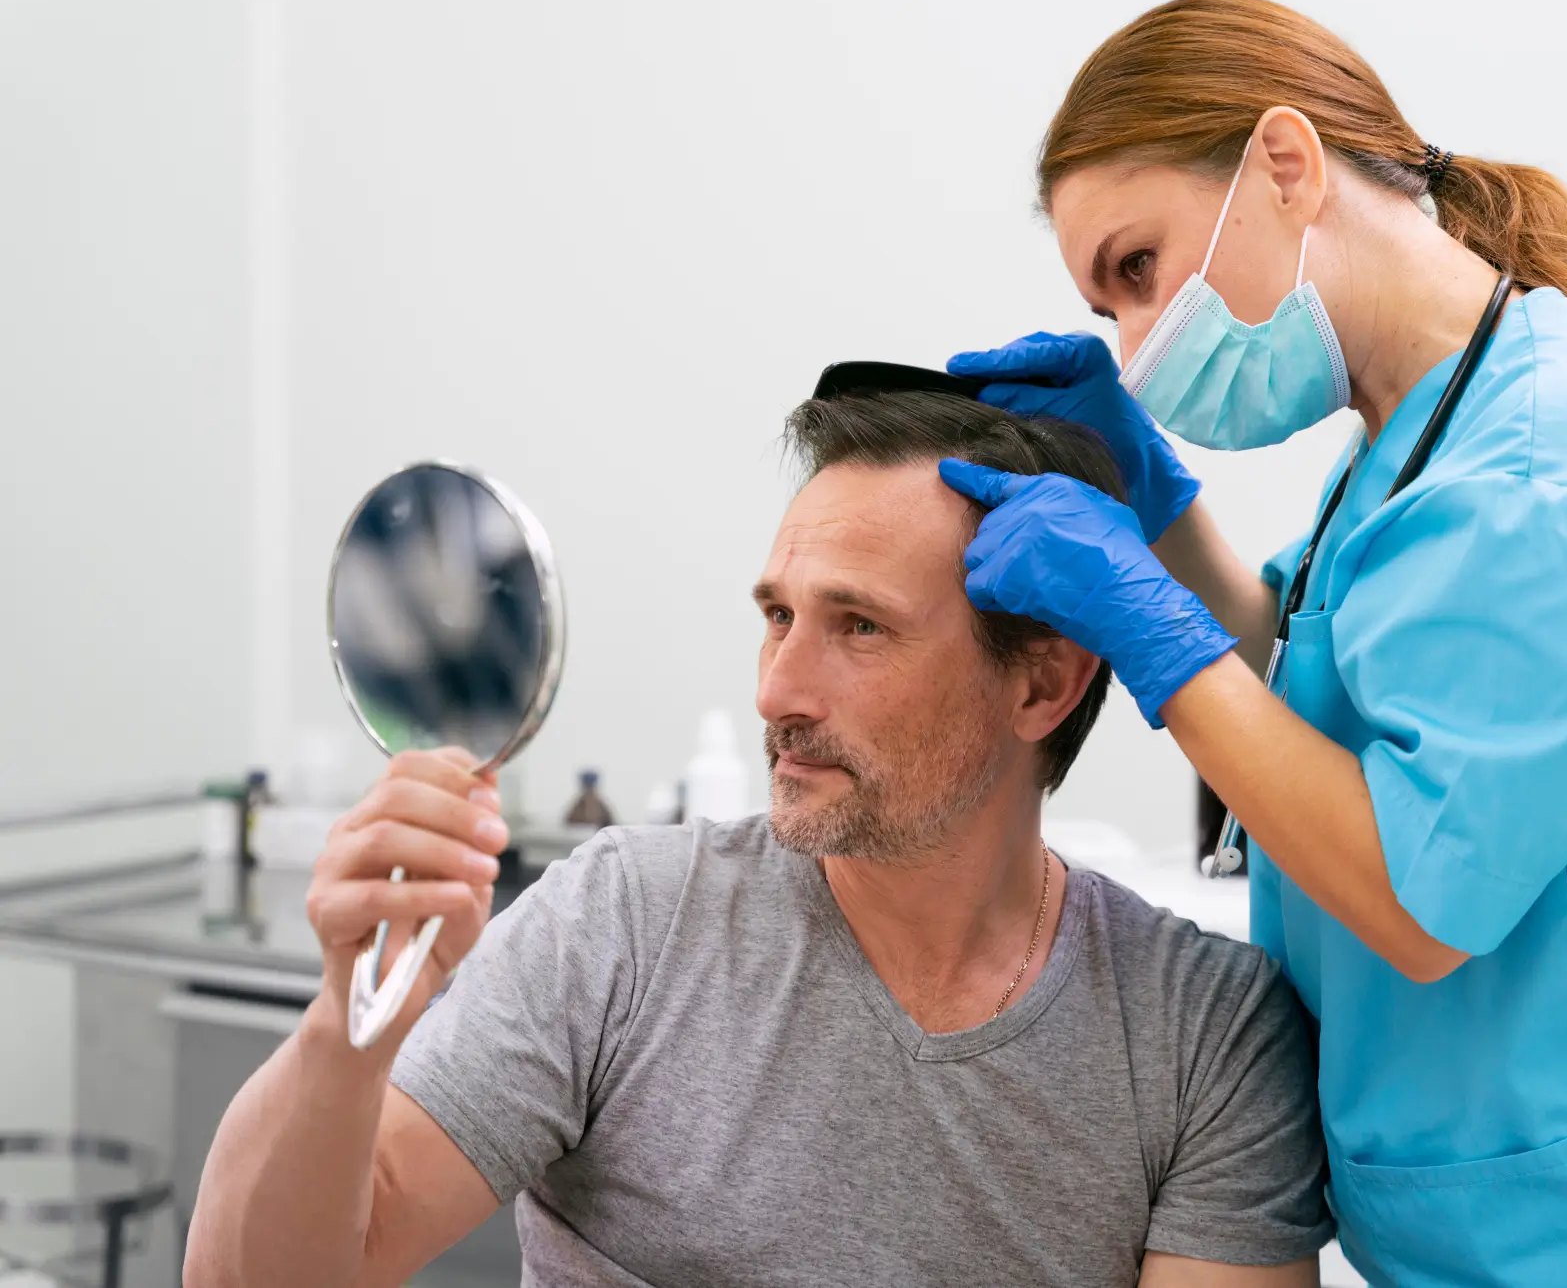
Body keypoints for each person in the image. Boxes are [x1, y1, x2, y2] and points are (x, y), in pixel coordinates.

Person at [940, 0, 1567, 1288]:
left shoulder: (1551, 476)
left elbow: (1419, 896)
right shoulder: (1417, 427)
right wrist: (1157, 512)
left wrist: (1148, 636)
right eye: (1109, 314)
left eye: (1139, 274)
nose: (1141, 348)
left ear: (1283, 165)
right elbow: (1323, 696)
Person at [183, 376, 1334, 1288]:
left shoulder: (1202, 1037)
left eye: (859, 627)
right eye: (777, 616)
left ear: (1040, 684)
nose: (780, 688)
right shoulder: (625, 921)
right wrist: (346, 1026)